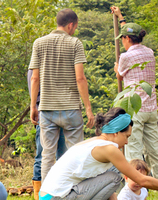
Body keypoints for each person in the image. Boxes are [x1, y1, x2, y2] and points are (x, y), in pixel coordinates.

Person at [39, 107, 158, 200]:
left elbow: (107, 189)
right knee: (115, 176)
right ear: (116, 132)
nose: (126, 142)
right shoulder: (109, 149)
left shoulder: (93, 142)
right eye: (126, 136)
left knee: (112, 176)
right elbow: (141, 179)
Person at [29, 8, 95, 183]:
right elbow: (80, 78)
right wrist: (88, 108)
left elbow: (34, 78)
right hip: (71, 108)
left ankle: (46, 196)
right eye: (75, 27)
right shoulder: (75, 43)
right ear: (71, 25)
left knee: (47, 155)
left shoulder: (39, 43)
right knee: (75, 155)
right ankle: (74, 193)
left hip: (47, 108)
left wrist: (33, 106)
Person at [111, 6, 158, 186]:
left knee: (134, 149)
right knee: (154, 149)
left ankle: (136, 184)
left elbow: (120, 74)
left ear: (127, 38)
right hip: (151, 109)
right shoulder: (149, 52)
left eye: (122, 38)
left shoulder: (125, 57)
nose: (121, 41)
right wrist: (120, 17)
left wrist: (116, 70)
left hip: (135, 109)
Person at [27, 69, 67, 200]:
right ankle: (39, 193)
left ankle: (60, 188)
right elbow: (35, 92)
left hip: (57, 112)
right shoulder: (34, 70)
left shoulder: (47, 67)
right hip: (44, 113)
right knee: (43, 153)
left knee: (61, 153)